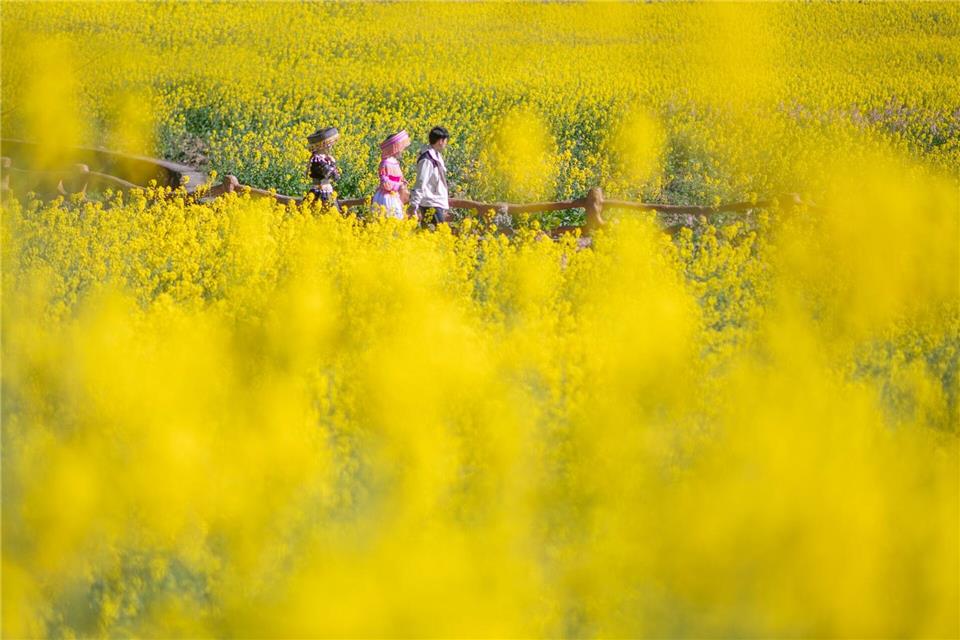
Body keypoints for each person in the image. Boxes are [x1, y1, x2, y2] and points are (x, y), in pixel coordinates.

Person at [409, 126, 451, 225]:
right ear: (440, 141)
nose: (446, 143)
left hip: (435, 202)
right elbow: (421, 182)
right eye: (446, 141)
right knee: (439, 232)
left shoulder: (436, 155)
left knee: (431, 232)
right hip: (430, 203)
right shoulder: (427, 159)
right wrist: (414, 204)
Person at [371, 130, 411, 219]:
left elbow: (397, 178)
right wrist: (398, 186)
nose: (402, 150)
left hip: (394, 195)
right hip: (386, 197)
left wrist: (403, 181)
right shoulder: (385, 163)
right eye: (401, 148)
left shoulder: (395, 162)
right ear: (395, 148)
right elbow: (385, 183)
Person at [305, 126, 341, 209]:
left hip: (327, 189)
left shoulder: (325, 158)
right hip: (320, 191)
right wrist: (333, 169)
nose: (330, 147)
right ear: (323, 146)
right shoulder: (317, 159)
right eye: (329, 145)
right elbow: (330, 174)